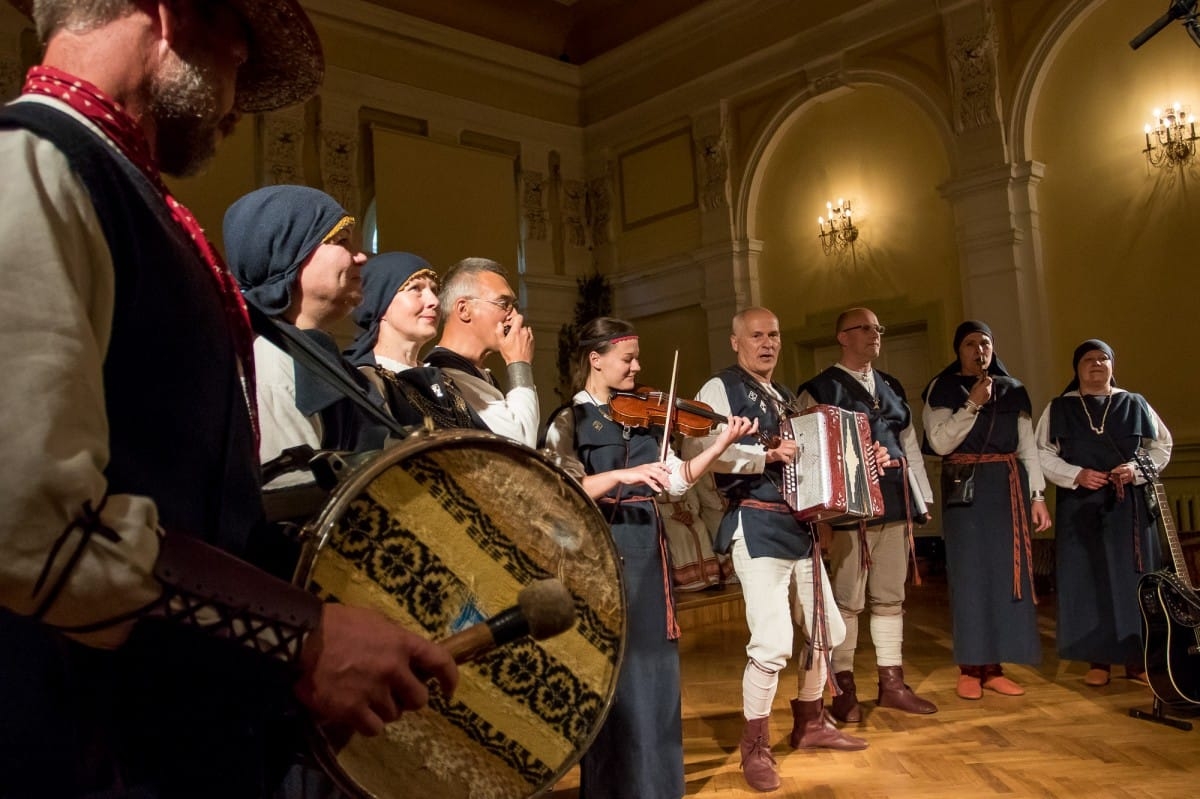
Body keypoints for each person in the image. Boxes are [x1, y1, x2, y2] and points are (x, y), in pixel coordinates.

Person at [0, 2, 456, 796]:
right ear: (173, 18)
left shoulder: (134, 201)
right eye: (240, 57)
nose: (237, 100)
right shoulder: (29, 166)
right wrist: (304, 639)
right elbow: (31, 525)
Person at [543, 317, 757, 799]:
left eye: (637, 358)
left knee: (655, 671)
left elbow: (676, 479)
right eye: (628, 359)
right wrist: (625, 475)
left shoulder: (643, 413)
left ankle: (657, 788)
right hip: (599, 549)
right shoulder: (569, 419)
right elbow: (563, 485)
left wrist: (719, 444)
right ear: (595, 360)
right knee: (615, 673)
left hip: (648, 548)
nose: (638, 367)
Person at [688, 307, 867, 794]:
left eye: (774, 334)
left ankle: (809, 722)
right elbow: (700, 452)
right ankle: (755, 745)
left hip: (798, 529)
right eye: (757, 335)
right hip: (755, 524)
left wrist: (857, 467)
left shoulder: (786, 396)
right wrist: (765, 454)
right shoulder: (719, 388)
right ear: (735, 341)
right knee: (771, 644)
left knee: (828, 628)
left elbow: (809, 463)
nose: (768, 343)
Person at [796, 307, 937, 722]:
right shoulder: (819, 388)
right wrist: (818, 519)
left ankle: (892, 683)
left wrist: (921, 500)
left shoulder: (890, 385)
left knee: (891, 597)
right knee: (847, 602)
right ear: (843, 337)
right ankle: (843, 689)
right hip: (847, 512)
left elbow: (908, 446)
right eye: (865, 329)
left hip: (894, 504)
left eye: (879, 328)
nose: (875, 335)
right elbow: (807, 456)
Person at [921, 320, 1051, 701]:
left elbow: (1027, 448)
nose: (980, 350)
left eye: (986, 343)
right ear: (958, 350)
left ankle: (995, 667)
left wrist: (1038, 495)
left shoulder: (1013, 391)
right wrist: (972, 403)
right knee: (971, 578)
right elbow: (941, 443)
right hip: (966, 490)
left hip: (1007, 488)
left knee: (1005, 576)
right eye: (971, 344)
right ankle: (970, 667)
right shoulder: (941, 388)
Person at [1035, 339, 1172, 687]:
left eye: (1103, 359)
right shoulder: (1059, 408)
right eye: (1088, 360)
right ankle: (1098, 661)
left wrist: (1134, 470)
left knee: (1134, 583)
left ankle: (1136, 659)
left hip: (1130, 508)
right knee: (1087, 581)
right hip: (1080, 507)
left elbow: (1162, 446)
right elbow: (1043, 453)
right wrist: (1075, 475)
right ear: (1077, 368)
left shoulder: (1135, 403)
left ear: (1112, 365)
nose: (1096, 365)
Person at [224, 184, 387, 470]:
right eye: (341, 241)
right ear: (288, 252)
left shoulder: (310, 357)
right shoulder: (269, 365)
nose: (361, 257)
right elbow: (295, 499)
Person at [343, 251, 484, 431]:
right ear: (381, 303)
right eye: (415, 289)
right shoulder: (363, 382)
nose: (434, 301)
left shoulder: (445, 384)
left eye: (434, 290)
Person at [425, 257, 539, 446]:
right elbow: (521, 443)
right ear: (464, 309)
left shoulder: (478, 375)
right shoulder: (443, 377)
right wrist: (520, 364)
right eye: (503, 304)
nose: (515, 316)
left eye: (514, 306)